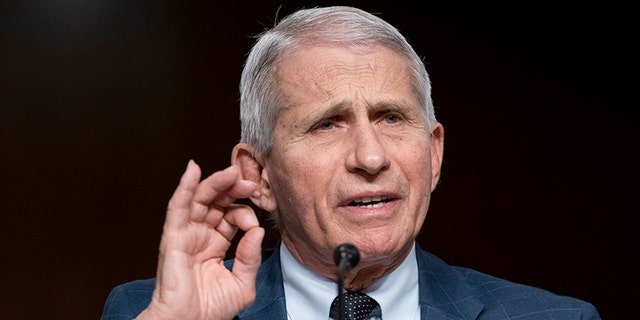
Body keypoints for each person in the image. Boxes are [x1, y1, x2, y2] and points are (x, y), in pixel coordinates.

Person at [100, 6, 601, 320]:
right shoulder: (148, 313)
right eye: (328, 124)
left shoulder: (557, 317)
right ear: (258, 176)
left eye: (390, 118)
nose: (370, 156)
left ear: (433, 154)